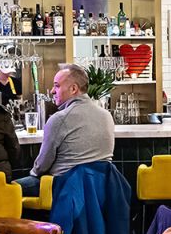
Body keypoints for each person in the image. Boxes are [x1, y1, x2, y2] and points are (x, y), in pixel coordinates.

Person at [15, 63, 115, 197]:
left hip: (66, 187)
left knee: (8, 189)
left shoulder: (60, 119)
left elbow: (42, 165)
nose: (52, 91)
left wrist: (33, 174)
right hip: (102, 186)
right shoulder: (106, 115)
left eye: (57, 85)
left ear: (73, 89)